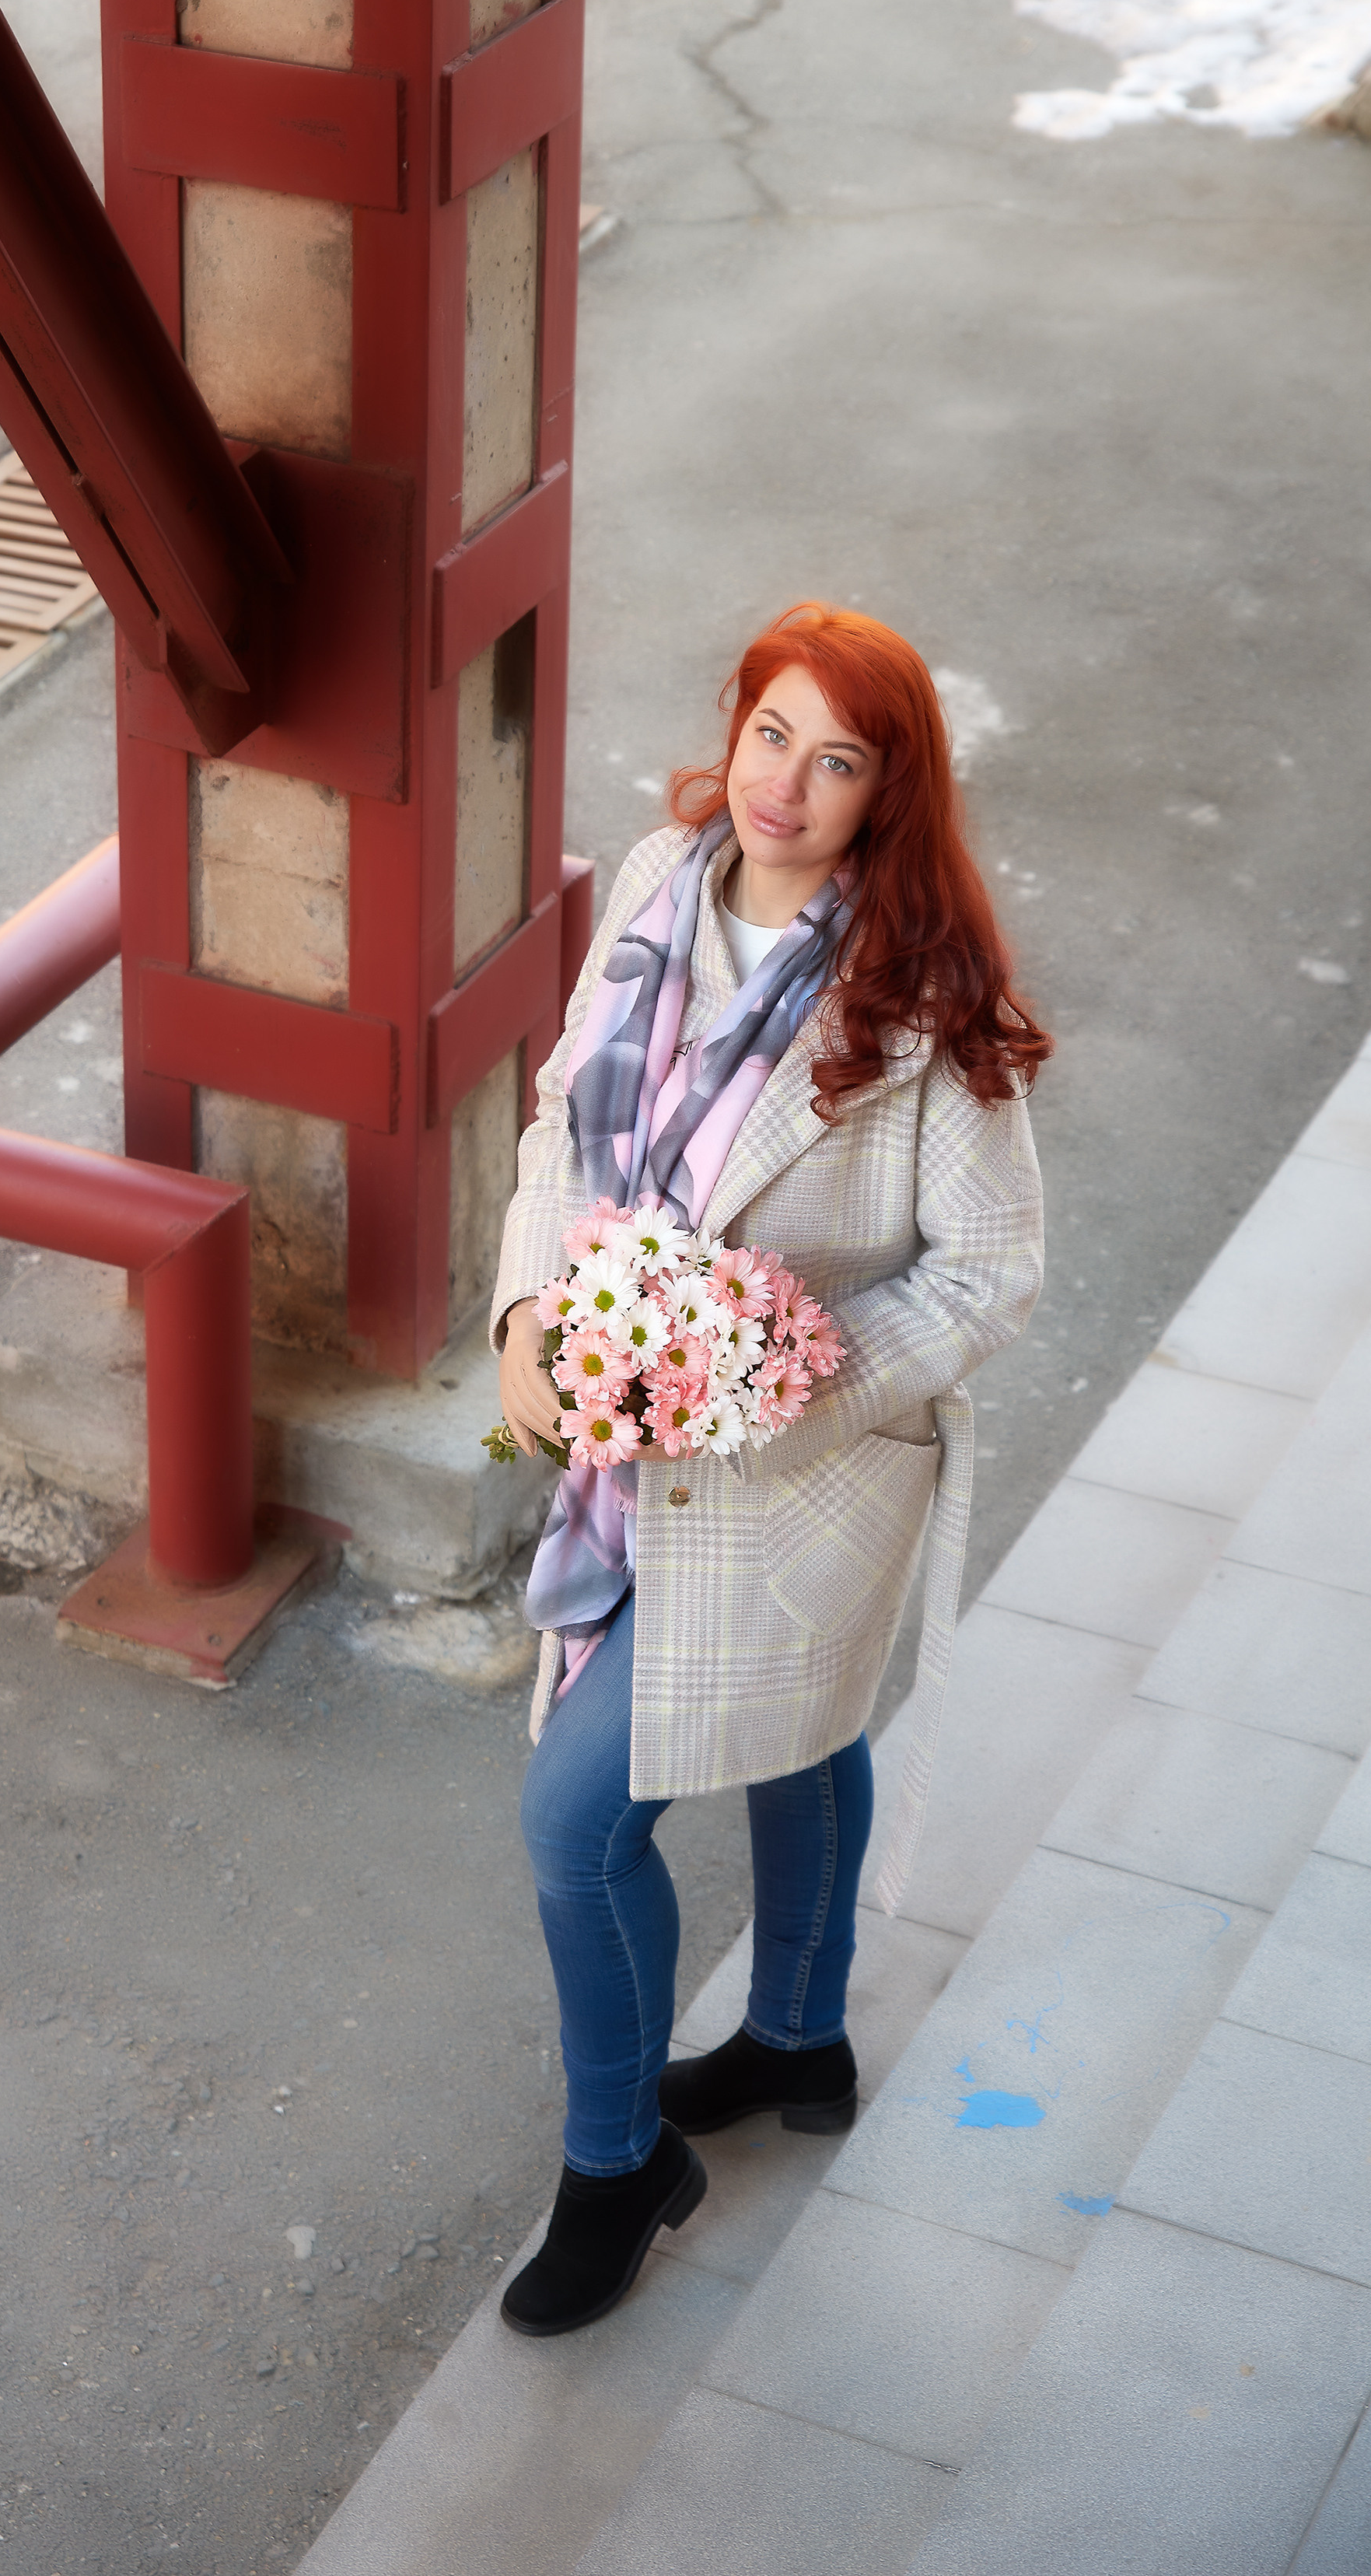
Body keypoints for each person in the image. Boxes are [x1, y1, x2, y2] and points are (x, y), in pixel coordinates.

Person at [490, 604, 1050, 2340]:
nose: (785, 785)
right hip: (624, 1442)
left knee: (577, 1824)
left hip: (799, 1465)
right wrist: (527, 1313)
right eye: (769, 734)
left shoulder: (921, 995)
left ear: (890, 791)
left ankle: (616, 2166)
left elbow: (990, 1268)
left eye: (839, 758)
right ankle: (798, 2035)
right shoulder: (661, 880)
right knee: (795, 1731)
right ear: (730, 731)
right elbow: (560, 1116)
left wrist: (766, 1380)